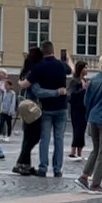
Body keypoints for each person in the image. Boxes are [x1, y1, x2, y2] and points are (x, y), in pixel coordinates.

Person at [25, 41, 72, 177]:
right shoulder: (61, 65)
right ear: (53, 50)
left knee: (45, 138)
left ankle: (43, 168)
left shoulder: (39, 67)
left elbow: (34, 88)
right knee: (59, 139)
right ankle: (57, 169)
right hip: (62, 107)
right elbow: (71, 70)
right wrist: (67, 60)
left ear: (42, 51)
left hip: (46, 108)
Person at [75, 53, 102, 194]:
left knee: (95, 149)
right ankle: (96, 183)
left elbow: (86, 102)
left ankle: (84, 176)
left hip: (94, 118)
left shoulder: (94, 80)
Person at [13, 48, 45, 175]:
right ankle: (21, 163)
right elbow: (28, 85)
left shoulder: (25, 71)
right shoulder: (33, 72)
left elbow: (22, 84)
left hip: (25, 106)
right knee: (33, 136)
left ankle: (25, 164)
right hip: (32, 107)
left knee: (28, 136)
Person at [67, 61, 89, 161]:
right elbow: (71, 95)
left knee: (82, 129)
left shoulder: (84, 80)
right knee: (77, 129)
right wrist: (83, 89)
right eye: (85, 68)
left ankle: (79, 151)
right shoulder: (75, 81)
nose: (87, 70)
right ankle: (73, 151)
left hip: (84, 108)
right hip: (76, 109)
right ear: (80, 69)